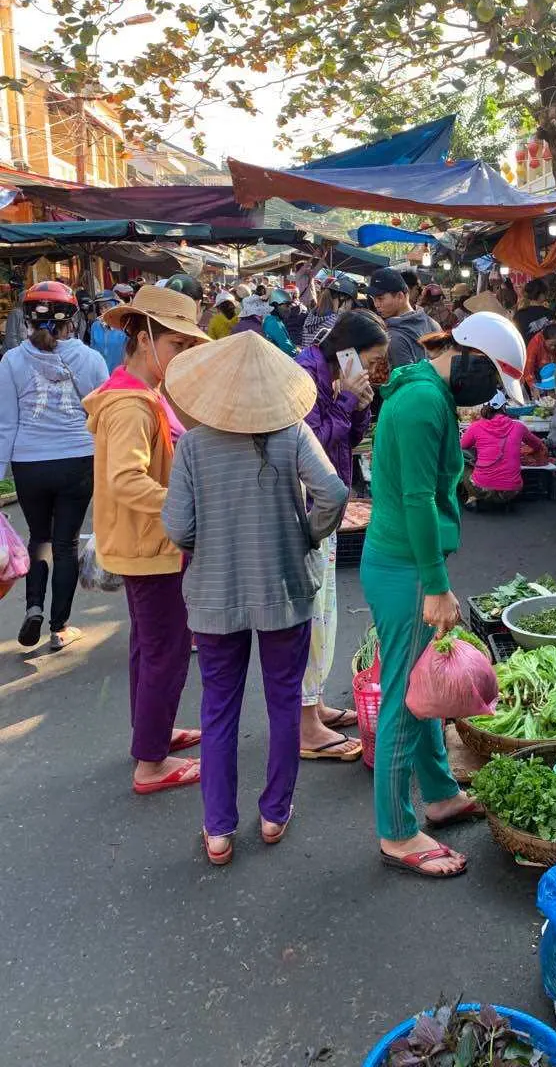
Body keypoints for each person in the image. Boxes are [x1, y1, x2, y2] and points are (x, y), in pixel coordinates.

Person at [161, 332, 348, 864]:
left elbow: (177, 526)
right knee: (284, 699)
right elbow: (334, 493)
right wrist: (308, 534)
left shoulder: (193, 445)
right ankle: (273, 813)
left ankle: (218, 829)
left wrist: (207, 545)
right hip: (284, 587)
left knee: (218, 707)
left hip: (214, 594)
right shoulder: (292, 433)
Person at [361, 310, 526, 878]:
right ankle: (398, 833)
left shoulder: (425, 392)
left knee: (424, 687)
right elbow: (416, 499)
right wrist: (435, 585)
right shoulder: (422, 403)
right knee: (402, 704)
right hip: (406, 568)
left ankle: (438, 794)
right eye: (492, 377)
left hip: (405, 562)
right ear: (469, 355)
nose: (489, 394)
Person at [83, 286, 209, 795]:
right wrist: (185, 506)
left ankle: (151, 735)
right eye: (178, 345)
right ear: (144, 339)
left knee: (150, 647)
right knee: (166, 651)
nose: (183, 355)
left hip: (149, 543)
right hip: (151, 547)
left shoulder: (141, 393)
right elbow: (126, 481)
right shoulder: (131, 404)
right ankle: (151, 763)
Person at [296, 310, 389, 761]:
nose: (372, 370)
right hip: (304, 510)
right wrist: (348, 400)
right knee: (311, 614)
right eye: (370, 361)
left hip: (326, 506)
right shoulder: (305, 374)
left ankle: (313, 704)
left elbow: (348, 441)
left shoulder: (337, 376)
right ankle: (304, 725)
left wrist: (361, 404)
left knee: (326, 612)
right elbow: (310, 442)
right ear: (348, 351)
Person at [0, 281, 108, 651]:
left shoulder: (11, 361)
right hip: (77, 462)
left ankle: (33, 606)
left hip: (29, 464)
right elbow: (104, 416)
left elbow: (6, 425)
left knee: (40, 538)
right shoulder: (91, 360)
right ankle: (59, 627)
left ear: (27, 319)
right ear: (72, 319)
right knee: (65, 543)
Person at [460, 392, 547, 509]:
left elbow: (462, 446)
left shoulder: (475, 426)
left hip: (481, 489)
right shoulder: (518, 427)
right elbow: (538, 444)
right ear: (504, 407)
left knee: (464, 463)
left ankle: (472, 497)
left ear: (484, 408)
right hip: (512, 491)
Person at [368, 267, 441, 369]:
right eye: (374, 299)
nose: (376, 305)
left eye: (380, 299)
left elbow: (406, 377)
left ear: (400, 296)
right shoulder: (431, 323)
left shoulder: (393, 338)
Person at [90, 291, 128, 373]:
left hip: (120, 375)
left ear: (116, 305)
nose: (103, 311)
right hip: (100, 374)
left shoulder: (125, 326)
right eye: (101, 308)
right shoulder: (95, 326)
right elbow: (92, 350)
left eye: (106, 306)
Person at [523, 318, 556, 393]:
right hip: (539, 373)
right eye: (551, 345)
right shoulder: (534, 345)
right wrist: (533, 387)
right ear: (544, 339)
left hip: (554, 372)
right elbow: (528, 369)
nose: (553, 347)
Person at [513, 278, 554, 344]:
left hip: (525, 349)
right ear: (541, 295)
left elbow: (515, 338)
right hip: (544, 350)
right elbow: (555, 336)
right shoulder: (549, 313)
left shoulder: (518, 315)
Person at [262, 288, 298, 356]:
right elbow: (287, 348)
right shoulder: (273, 322)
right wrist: (299, 355)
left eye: (290, 305)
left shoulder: (275, 320)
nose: (289, 309)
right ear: (276, 305)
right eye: (287, 305)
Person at [2, 280, 26, 353]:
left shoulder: (29, 314)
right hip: (11, 354)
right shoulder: (15, 313)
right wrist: (20, 353)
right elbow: (11, 338)